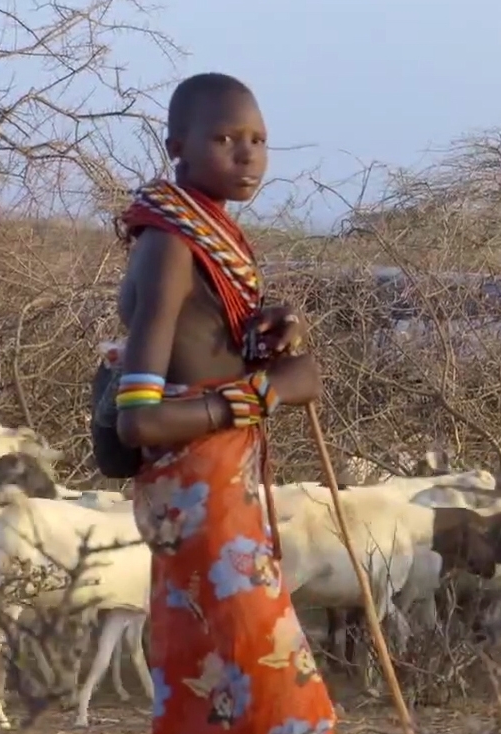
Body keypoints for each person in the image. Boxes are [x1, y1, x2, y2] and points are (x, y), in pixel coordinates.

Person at [112, 72, 337, 734]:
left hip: (216, 487)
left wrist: (265, 331)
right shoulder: (173, 245)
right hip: (200, 496)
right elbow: (139, 420)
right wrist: (262, 394)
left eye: (259, 140)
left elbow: (202, 348)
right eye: (225, 138)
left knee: (204, 672)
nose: (247, 155)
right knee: (271, 681)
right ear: (177, 144)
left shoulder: (210, 236)